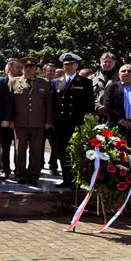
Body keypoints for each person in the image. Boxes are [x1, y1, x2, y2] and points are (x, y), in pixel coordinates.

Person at [8, 58, 53, 185]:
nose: (28, 69)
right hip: (19, 122)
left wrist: (48, 121)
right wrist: (10, 120)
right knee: (20, 150)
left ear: (36, 69)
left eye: (31, 67)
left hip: (38, 123)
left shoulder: (44, 83)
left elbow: (48, 104)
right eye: (26, 67)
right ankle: (20, 174)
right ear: (22, 68)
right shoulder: (13, 82)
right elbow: (9, 103)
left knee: (36, 150)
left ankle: (34, 175)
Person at [53, 53, 94, 188]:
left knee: (76, 152)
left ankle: (77, 180)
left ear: (76, 65)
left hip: (76, 123)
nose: (68, 66)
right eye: (66, 65)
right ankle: (66, 178)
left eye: (71, 64)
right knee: (62, 151)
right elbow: (53, 104)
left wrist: (87, 122)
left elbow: (90, 105)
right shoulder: (56, 82)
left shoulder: (85, 82)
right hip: (60, 123)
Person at [0, 58, 23, 179]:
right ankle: (5, 170)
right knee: (4, 147)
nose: (21, 70)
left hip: (19, 122)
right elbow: (0, 103)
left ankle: (18, 170)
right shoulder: (1, 82)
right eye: (18, 67)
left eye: (21, 67)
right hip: (4, 122)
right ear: (9, 68)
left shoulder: (23, 82)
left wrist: (13, 120)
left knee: (19, 148)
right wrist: (7, 119)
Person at [42, 62, 60, 175]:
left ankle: (53, 166)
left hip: (54, 120)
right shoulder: (39, 83)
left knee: (55, 145)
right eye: (49, 71)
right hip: (41, 120)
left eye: (53, 71)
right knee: (39, 144)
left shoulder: (59, 83)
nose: (51, 73)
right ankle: (39, 165)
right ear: (44, 72)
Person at [90, 52, 119, 117]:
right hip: (96, 114)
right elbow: (87, 96)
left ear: (114, 63)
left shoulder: (121, 78)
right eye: (105, 62)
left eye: (110, 62)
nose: (107, 64)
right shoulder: (91, 78)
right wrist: (97, 107)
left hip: (116, 115)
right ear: (100, 63)